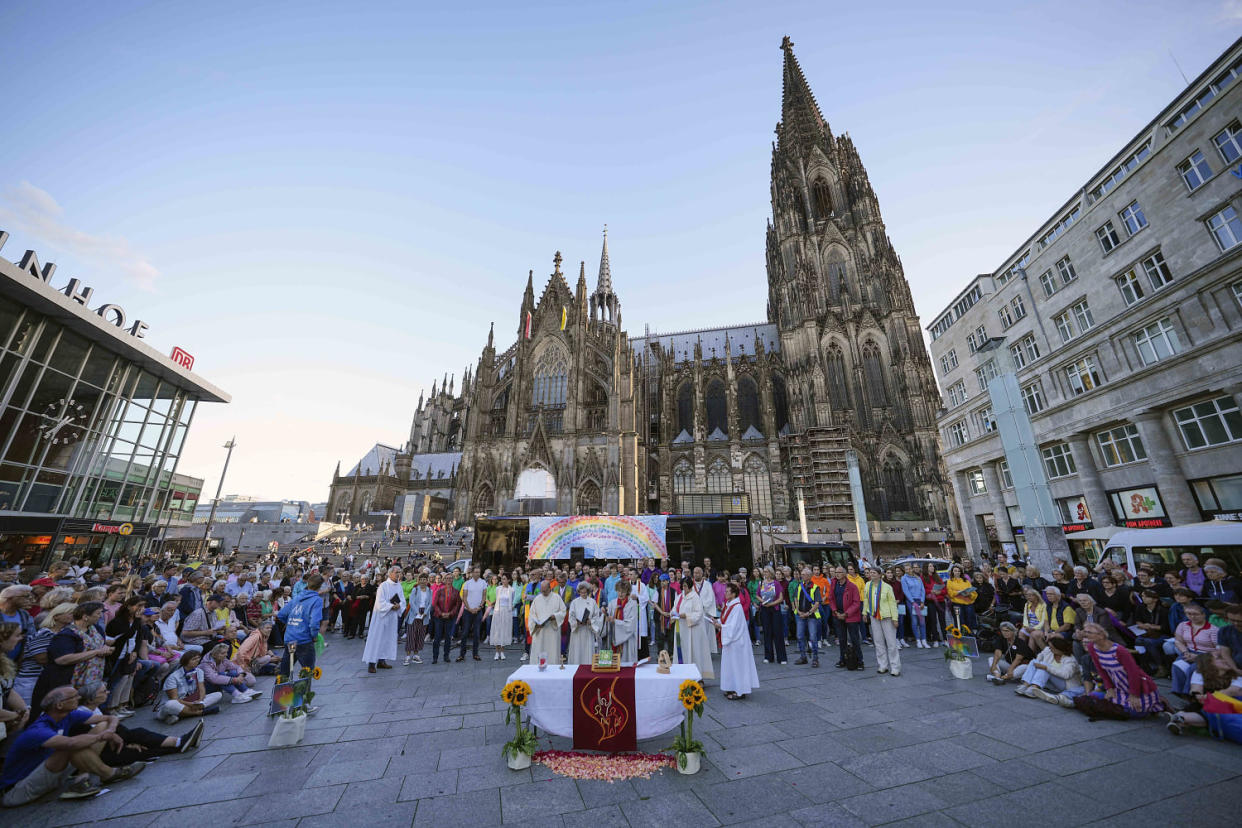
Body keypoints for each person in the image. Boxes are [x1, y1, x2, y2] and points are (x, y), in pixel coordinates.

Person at [0, 685, 145, 805]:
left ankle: (83, 778)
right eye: (74, 697)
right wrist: (102, 736)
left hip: (47, 777)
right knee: (70, 746)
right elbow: (71, 743)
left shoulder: (69, 714)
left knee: (100, 726)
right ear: (59, 705)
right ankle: (108, 774)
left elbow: (109, 718)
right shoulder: (38, 730)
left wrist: (111, 730)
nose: (79, 698)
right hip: (16, 792)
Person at [30, 602, 112, 715]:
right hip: (68, 680)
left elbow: (100, 645)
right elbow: (61, 659)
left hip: (92, 678)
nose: (100, 616)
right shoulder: (67, 634)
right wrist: (96, 652)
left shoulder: (96, 629)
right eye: (98, 613)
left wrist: (105, 650)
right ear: (85, 616)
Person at [1080, 622, 1163, 718]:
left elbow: (1133, 673)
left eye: (1089, 632)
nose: (1086, 634)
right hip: (1119, 688)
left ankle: (1157, 704)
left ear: (1101, 635)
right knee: (1092, 696)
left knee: (1135, 710)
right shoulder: (1092, 647)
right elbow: (1101, 670)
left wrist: (1134, 694)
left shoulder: (1119, 650)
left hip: (1138, 687)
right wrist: (1109, 688)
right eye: (1085, 632)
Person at [276, 573, 326, 680]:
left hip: (290, 637)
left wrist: (290, 624)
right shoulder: (316, 600)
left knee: (284, 671)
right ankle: (303, 694)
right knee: (307, 671)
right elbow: (314, 622)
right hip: (304, 639)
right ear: (319, 586)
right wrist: (314, 635)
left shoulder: (298, 597)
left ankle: (280, 693)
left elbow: (281, 614)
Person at [715, 583, 758, 700]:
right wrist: (717, 621)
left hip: (737, 641)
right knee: (730, 665)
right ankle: (732, 686)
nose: (725, 593)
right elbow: (727, 620)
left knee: (738, 666)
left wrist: (721, 626)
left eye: (727, 592)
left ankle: (740, 691)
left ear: (733, 594)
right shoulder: (729, 604)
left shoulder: (737, 607)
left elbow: (734, 626)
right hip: (731, 640)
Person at [155, 651, 222, 724]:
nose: (197, 660)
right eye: (194, 659)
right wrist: (191, 705)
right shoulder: (173, 677)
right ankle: (200, 712)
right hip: (177, 704)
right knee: (170, 704)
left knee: (218, 694)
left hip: (191, 701)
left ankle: (183, 714)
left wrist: (200, 700)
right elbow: (175, 699)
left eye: (198, 658)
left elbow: (201, 689)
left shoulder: (199, 671)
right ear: (186, 662)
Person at [1013, 637, 1084, 707]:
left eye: (1052, 647)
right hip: (1051, 682)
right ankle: (1026, 685)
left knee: (1044, 665)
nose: (1049, 648)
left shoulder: (1070, 660)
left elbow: (1066, 675)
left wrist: (1046, 667)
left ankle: (1034, 688)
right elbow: (1040, 655)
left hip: (1065, 684)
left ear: (1059, 649)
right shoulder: (1048, 650)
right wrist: (1038, 663)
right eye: (1049, 646)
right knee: (1034, 661)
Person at [364, 566, 405, 673]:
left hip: (392, 617)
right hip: (381, 617)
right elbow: (379, 602)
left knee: (387, 639)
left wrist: (399, 605)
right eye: (396, 572)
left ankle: (382, 661)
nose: (398, 574)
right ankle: (371, 663)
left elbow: (402, 600)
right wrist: (391, 606)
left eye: (399, 572)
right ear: (390, 573)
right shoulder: (383, 586)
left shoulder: (399, 586)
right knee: (377, 638)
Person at [1171, 603, 1218, 696]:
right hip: (1188, 651)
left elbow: (1218, 649)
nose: (1192, 616)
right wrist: (1185, 652)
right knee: (1177, 666)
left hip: (1207, 655)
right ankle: (1178, 692)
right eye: (1189, 614)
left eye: (1195, 614)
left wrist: (1198, 656)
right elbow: (1178, 641)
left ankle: (1189, 694)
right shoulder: (1183, 625)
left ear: (1203, 614)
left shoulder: (1213, 629)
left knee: (1193, 669)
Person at [674, 576, 714, 680]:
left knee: (693, 652)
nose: (684, 588)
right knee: (682, 651)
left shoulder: (695, 597)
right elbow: (675, 608)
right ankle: (682, 675)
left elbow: (698, 614)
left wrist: (686, 615)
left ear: (690, 586)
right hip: (681, 629)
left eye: (685, 586)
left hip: (692, 631)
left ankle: (696, 677)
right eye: (682, 586)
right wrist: (672, 613)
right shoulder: (680, 597)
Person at [864, 566, 901, 676]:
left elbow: (892, 603)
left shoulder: (887, 587)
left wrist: (895, 618)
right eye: (870, 573)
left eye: (874, 573)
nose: (872, 574)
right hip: (874, 616)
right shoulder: (867, 585)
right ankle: (882, 665)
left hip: (887, 617)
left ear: (880, 575)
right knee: (878, 642)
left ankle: (895, 667)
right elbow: (866, 599)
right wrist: (864, 612)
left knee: (891, 643)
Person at [826, 566, 864, 670]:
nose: (837, 574)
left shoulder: (852, 586)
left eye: (839, 572)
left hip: (850, 616)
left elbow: (856, 603)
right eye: (836, 572)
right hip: (837, 615)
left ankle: (860, 661)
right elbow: (831, 598)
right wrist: (835, 611)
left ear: (844, 574)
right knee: (842, 639)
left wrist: (846, 614)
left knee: (854, 639)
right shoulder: (834, 584)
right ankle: (842, 659)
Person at [527, 580, 567, 666]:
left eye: (545, 590)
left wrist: (555, 616)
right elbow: (532, 614)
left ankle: (553, 668)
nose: (543, 592)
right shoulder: (537, 599)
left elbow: (563, 611)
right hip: (540, 630)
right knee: (539, 650)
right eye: (542, 590)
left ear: (550, 588)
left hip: (552, 630)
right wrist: (536, 623)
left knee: (552, 650)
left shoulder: (557, 598)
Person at [791, 570, 822, 668]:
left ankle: (815, 658)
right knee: (799, 636)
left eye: (804, 574)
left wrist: (808, 613)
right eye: (802, 574)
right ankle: (803, 656)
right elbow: (795, 598)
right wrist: (798, 611)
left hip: (811, 616)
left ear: (809, 576)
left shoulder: (815, 587)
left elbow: (817, 603)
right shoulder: (799, 586)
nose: (802, 576)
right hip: (800, 615)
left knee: (813, 637)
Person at [756, 568, 787, 665]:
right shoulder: (761, 583)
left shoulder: (776, 583)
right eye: (764, 572)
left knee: (778, 633)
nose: (765, 573)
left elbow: (781, 598)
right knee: (767, 633)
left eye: (766, 571)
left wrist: (772, 603)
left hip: (775, 609)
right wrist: (763, 602)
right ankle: (768, 656)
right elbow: (757, 595)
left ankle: (782, 657)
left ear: (771, 573)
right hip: (765, 609)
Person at [567, 582, 601, 665]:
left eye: (585, 592)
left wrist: (591, 621)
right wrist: (576, 622)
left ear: (588, 592)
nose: (583, 594)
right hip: (577, 631)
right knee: (577, 651)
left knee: (587, 651)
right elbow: (571, 616)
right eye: (581, 592)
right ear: (579, 592)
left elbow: (596, 616)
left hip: (587, 630)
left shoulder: (592, 602)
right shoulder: (574, 602)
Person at [457, 568, 487, 662]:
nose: (477, 573)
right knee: (465, 633)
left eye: (478, 572)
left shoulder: (483, 583)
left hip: (478, 611)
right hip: (467, 611)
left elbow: (484, 596)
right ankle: (462, 654)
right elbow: (464, 598)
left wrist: (480, 607)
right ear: (472, 573)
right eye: (475, 572)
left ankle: (475, 654)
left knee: (477, 634)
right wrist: (469, 609)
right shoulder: (467, 583)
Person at [430, 573, 461, 665]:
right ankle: (435, 657)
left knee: (448, 637)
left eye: (450, 578)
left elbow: (457, 605)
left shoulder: (456, 592)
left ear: (452, 580)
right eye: (447, 578)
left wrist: (450, 614)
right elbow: (434, 604)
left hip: (450, 617)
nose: (448, 580)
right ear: (444, 579)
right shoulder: (439, 591)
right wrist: (441, 613)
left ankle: (446, 656)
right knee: (437, 637)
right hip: (439, 617)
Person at [608, 581, 640, 664]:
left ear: (627, 592)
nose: (620, 593)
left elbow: (631, 624)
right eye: (618, 591)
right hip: (615, 637)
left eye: (623, 592)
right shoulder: (612, 603)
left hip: (627, 640)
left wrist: (615, 621)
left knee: (627, 665)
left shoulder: (632, 604)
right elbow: (608, 619)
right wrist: (604, 615)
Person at [404, 573, 432, 665]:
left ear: (427, 580)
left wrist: (425, 613)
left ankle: (416, 655)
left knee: (420, 635)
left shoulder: (429, 591)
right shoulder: (415, 590)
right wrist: (417, 612)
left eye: (425, 579)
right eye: (421, 579)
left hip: (424, 615)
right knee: (411, 634)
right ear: (418, 580)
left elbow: (430, 603)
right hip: (414, 613)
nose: (423, 581)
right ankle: (408, 656)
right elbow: (411, 602)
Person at [900, 565, 928, 648]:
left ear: (912, 569)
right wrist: (912, 602)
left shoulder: (918, 578)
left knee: (922, 621)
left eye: (909, 568)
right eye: (906, 569)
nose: (908, 570)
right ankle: (918, 640)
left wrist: (922, 601)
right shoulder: (904, 578)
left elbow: (922, 589)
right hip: (911, 601)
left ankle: (924, 640)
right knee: (915, 621)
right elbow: (906, 591)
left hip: (920, 600)